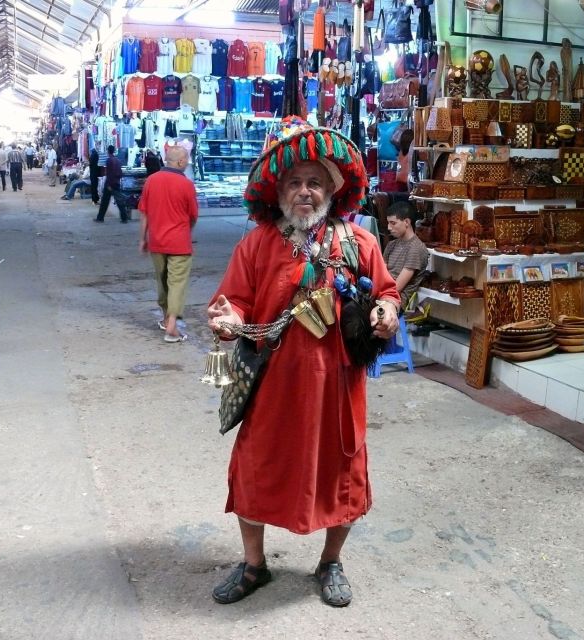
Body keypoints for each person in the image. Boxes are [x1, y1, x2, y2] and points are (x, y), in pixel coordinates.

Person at [206, 116, 400, 608]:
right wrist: (227, 315)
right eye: (294, 182)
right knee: (253, 469)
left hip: (338, 389)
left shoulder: (361, 244)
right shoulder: (255, 245)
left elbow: (387, 292)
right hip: (271, 388)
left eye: (315, 182)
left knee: (345, 475)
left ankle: (330, 562)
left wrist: (387, 311)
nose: (305, 192)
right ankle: (254, 566)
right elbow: (233, 302)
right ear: (278, 191)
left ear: (333, 189)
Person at [137, 146, 198, 342]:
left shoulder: (151, 181)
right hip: (180, 243)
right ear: (180, 162)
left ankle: (165, 319)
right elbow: (193, 215)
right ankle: (171, 326)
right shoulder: (186, 185)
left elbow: (144, 213)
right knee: (176, 283)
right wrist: (186, 230)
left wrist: (143, 239)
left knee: (162, 282)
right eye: (186, 160)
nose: (187, 163)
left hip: (156, 242)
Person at [383, 201, 429, 310]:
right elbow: (381, 273)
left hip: (396, 299)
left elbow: (397, 287)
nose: (389, 227)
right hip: (384, 292)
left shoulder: (416, 248)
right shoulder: (391, 244)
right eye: (388, 223)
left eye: (393, 223)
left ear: (407, 222)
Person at [96, 145, 129, 223]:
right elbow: (120, 173)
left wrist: (109, 185)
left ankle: (100, 218)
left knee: (104, 202)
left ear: (108, 151)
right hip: (116, 182)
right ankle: (124, 218)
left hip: (110, 183)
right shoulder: (117, 160)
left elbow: (109, 173)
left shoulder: (109, 160)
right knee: (119, 201)